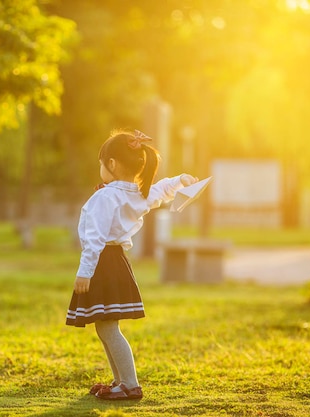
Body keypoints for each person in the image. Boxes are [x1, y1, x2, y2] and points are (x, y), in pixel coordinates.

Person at [65, 129, 198, 400]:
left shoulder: (107, 197)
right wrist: (180, 181)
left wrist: (84, 271)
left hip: (103, 262)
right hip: (117, 262)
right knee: (105, 325)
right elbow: (160, 191)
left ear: (111, 164)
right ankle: (119, 381)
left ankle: (130, 384)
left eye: (101, 163)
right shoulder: (137, 194)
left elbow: (95, 238)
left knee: (109, 327)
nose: (101, 168)